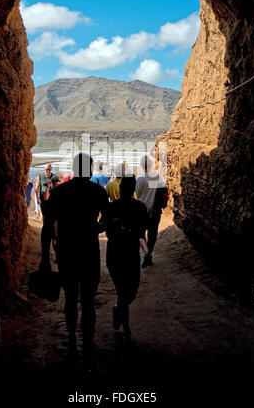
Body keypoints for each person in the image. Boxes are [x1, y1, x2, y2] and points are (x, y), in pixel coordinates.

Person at [43, 152, 109, 369]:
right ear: (89, 170)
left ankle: (72, 341)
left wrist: (45, 257)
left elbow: (47, 227)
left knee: (71, 297)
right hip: (89, 250)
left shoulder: (60, 192)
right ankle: (88, 350)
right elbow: (106, 221)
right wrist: (96, 227)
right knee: (88, 302)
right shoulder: (97, 192)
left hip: (66, 251)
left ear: (73, 169)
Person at [104, 175, 149, 341]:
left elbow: (140, 234)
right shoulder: (113, 207)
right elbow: (104, 228)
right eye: (125, 186)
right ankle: (127, 328)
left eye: (129, 187)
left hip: (130, 255)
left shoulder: (139, 208)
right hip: (116, 254)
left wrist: (146, 252)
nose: (126, 189)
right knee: (124, 292)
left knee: (131, 293)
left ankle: (117, 309)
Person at [136, 155, 166, 268]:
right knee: (152, 235)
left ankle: (145, 253)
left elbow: (138, 195)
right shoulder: (157, 178)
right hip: (155, 211)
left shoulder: (140, 179)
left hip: (142, 211)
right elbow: (163, 191)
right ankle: (149, 254)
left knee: (141, 234)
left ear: (141, 166)